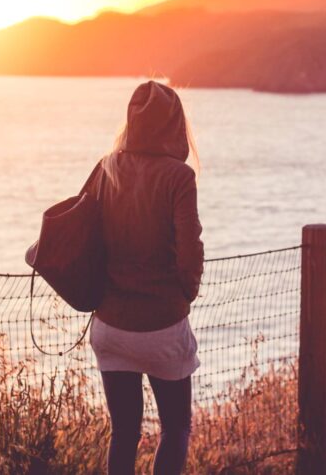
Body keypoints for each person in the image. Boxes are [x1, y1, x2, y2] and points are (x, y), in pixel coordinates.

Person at [80, 80, 204, 475]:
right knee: (176, 427)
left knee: (124, 432)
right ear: (174, 124)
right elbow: (189, 249)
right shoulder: (179, 177)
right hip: (162, 324)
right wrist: (187, 293)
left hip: (110, 325)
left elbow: (84, 236)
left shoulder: (107, 167)